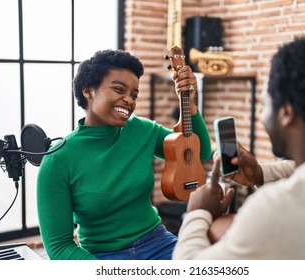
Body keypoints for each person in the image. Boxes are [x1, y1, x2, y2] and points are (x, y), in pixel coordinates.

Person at [172, 37, 305, 259]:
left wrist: (198, 212)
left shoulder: (274, 209)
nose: (262, 116)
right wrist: (260, 174)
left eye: (265, 105)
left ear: (286, 113)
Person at [37, 49, 212, 260]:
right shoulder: (57, 159)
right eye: (119, 89)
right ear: (88, 91)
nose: (128, 100)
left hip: (159, 243)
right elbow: (59, 246)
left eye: (134, 94)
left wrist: (190, 103)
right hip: (102, 255)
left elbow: (200, 154)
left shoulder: (144, 131)